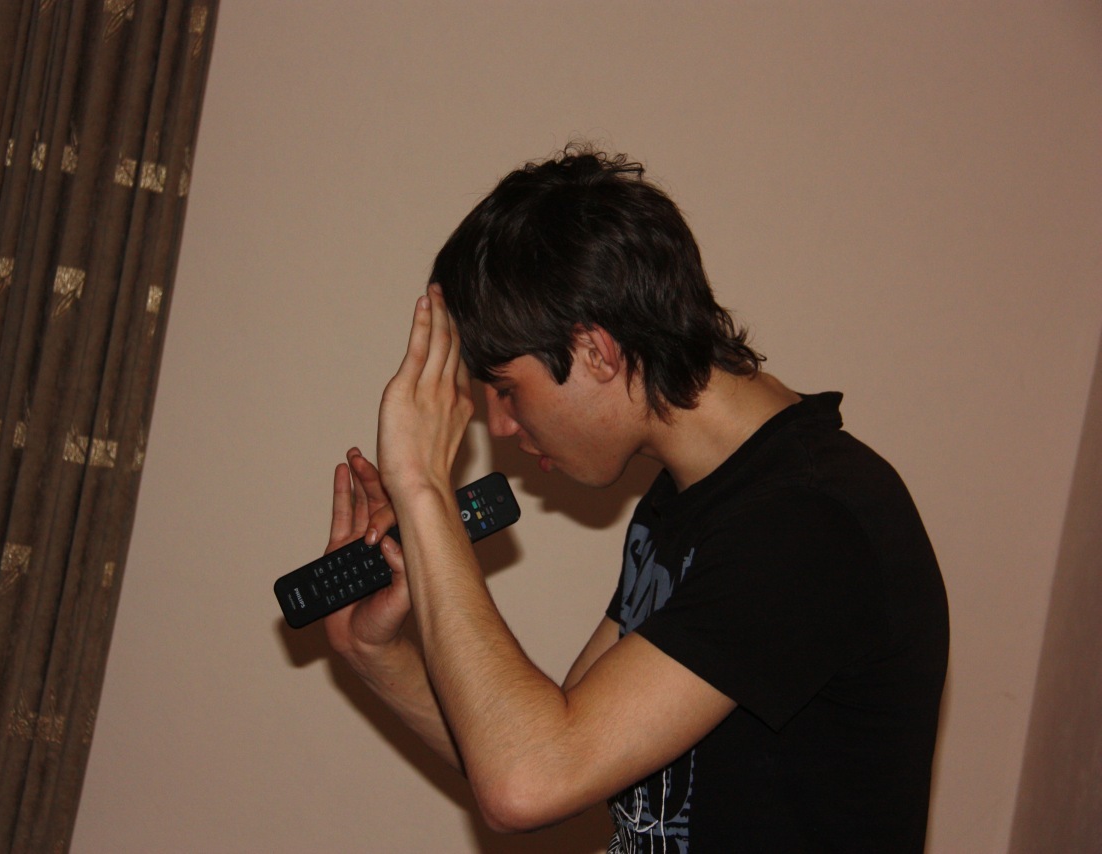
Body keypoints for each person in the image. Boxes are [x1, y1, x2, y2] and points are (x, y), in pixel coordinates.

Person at [320, 146, 949, 852]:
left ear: (596, 351)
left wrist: (425, 491)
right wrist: (377, 654)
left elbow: (529, 778)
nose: (499, 426)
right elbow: (547, 749)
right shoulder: (691, 495)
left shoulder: (809, 521)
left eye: (506, 389)